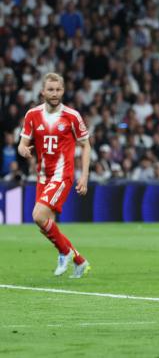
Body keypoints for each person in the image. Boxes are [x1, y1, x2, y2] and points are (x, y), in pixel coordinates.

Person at [17, 72, 91, 278]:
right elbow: (22, 142)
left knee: (38, 215)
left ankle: (65, 252)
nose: (55, 93)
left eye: (58, 89)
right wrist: (23, 149)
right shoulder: (32, 115)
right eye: (50, 89)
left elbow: (86, 146)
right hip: (43, 176)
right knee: (44, 225)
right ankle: (79, 260)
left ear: (63, 91)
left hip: (62, 175)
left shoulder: (72, 116)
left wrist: (84, 176)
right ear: (42, 91)